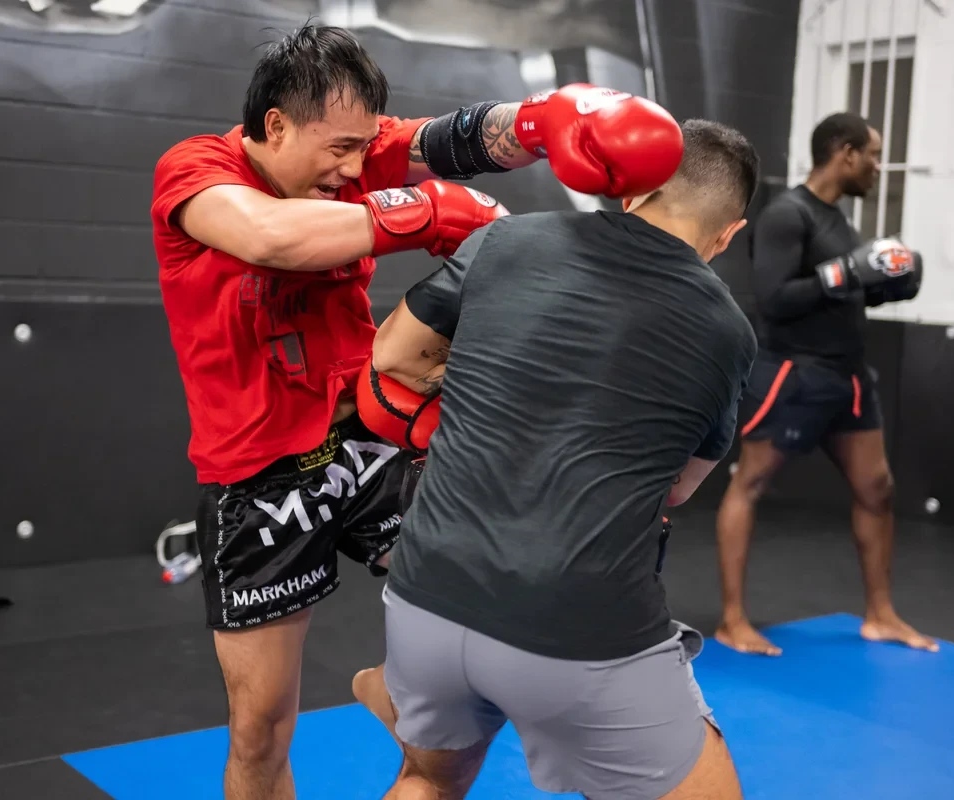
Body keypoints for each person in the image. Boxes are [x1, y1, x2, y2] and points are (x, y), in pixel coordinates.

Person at [149, 21, 683, 800]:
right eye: (338, 149)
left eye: (366, 146)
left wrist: (547, 123)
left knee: (499, 609)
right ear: (275, 126)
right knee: (261, 727)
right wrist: (428, 212)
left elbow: (463, 139)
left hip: (373, 442)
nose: (356, 166)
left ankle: (408, 722)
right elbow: (268, 237)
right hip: (258, 476)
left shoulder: (356, 154)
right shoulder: (197, 169)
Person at [356, 120, 759, 800]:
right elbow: (677, 490)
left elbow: (393, 356)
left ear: (629, 190)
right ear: (730, 234)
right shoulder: (728, 333)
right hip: (576, 631)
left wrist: (504, 392)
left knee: (425, 780)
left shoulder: (505, 239)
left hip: (425, 594)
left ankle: (394, 687)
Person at [712, 111, 932, 657]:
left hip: (848, 375)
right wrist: (848, 274)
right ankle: (732, 620)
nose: (878, 166)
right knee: (751, 484)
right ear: (845, 152)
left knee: (877, 489)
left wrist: (882, 287)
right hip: (794, 372)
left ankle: (880, 614)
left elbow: (842, 287)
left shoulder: (838, 219)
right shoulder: (788, 214)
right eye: (874, 155)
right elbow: (775, 298)